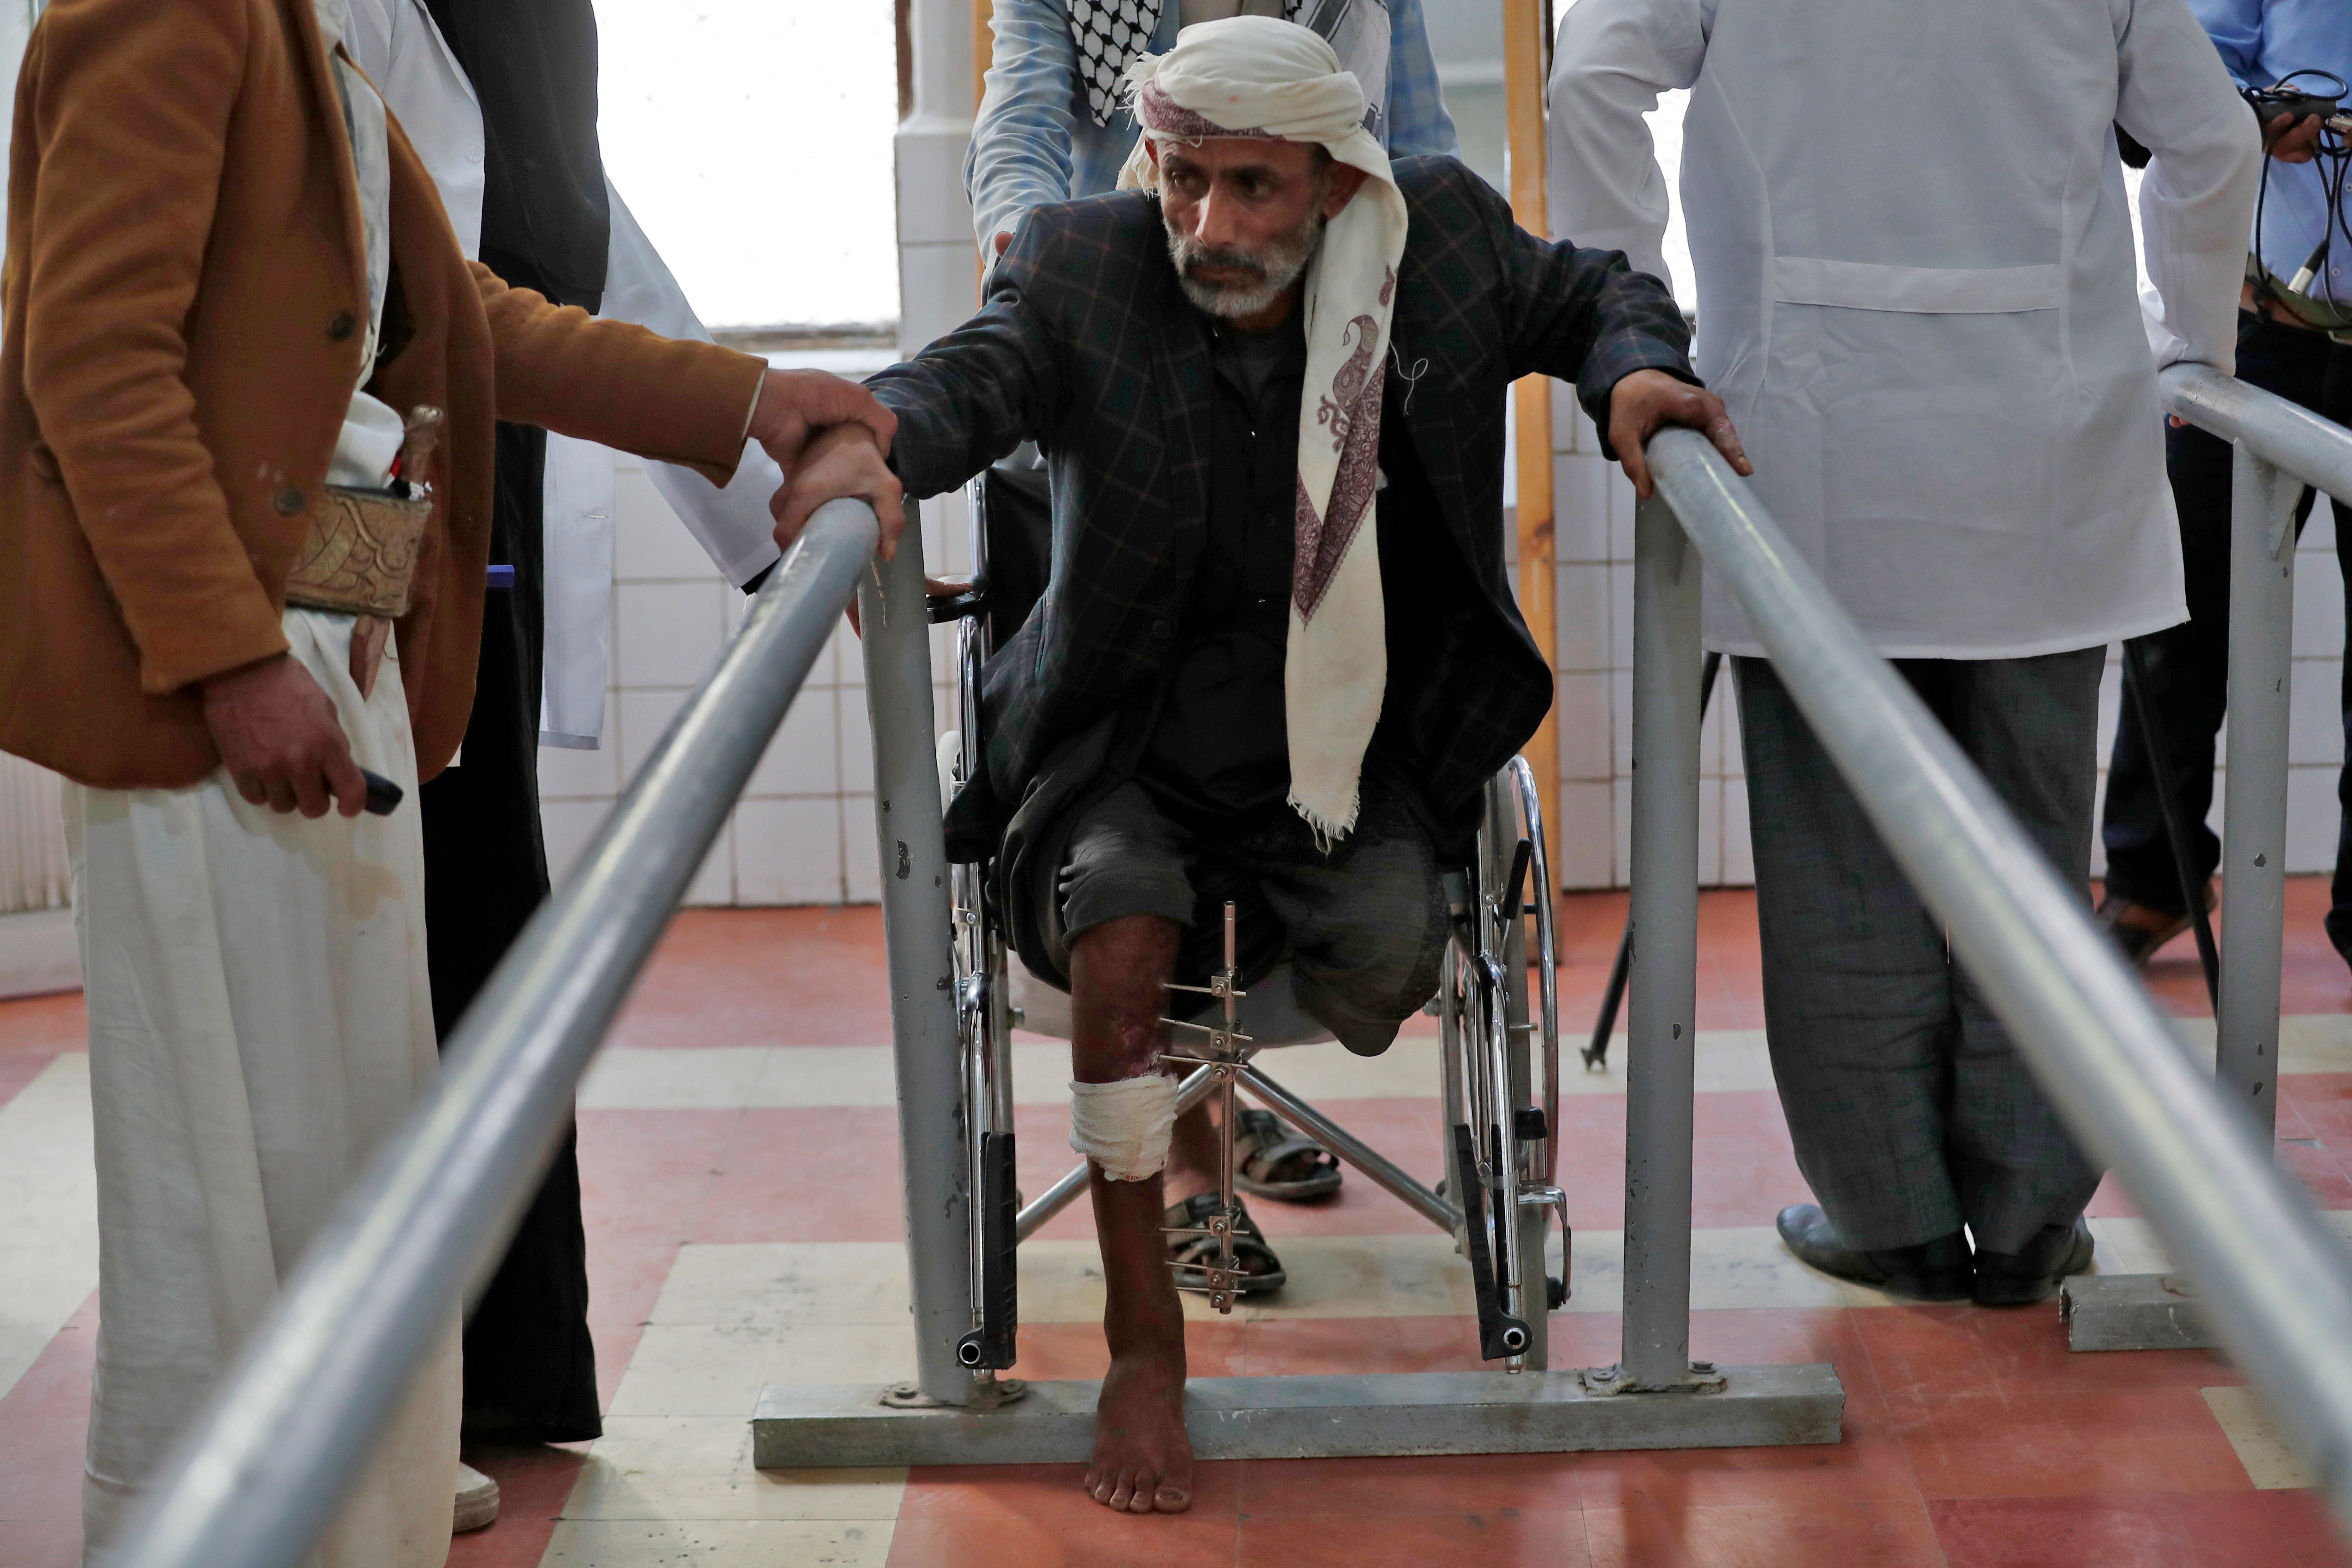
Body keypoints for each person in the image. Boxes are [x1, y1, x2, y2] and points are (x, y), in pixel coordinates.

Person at [776, 14, 1743, 1517]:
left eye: (1251, 189)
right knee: (1119, 934)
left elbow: (1598, 291)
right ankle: (1141, 1342)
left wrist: (1634, 378)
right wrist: (877, 439)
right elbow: (973, 372)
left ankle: (1272, 1025)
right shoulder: (1089, 263)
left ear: (1337, 183)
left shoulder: (1437, 244)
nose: (1207, 227)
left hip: (1347, 753)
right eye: (1181, 181)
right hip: (1128, 746)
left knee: (1377, 955)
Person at [0, 0, 894, 1560]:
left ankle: (354, 1455)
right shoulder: (159, 10)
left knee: (354, 1110)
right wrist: (231, 663)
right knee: (228, 1139)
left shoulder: (306, 32)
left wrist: (738, 400)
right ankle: (210, 1502)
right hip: (216, 675)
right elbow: (91, 363)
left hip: (333, 631)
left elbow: (454, 319)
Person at [1549, 0, 2260, 1307]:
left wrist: (1628, 317)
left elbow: (1592, 76)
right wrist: (2187, 351)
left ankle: (1896, 1221)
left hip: (1815, 442)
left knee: (1840, 865)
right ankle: (2031, 1220)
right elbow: (2213, 143)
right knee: (2036, 864)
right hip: (2043, 449)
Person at [345, 0, 793, 1482]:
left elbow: (579, 238)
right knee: (380, 905)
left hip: (477, 466)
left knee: (481, 901)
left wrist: (767, 490)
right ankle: (379, 1385)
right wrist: (304, 626)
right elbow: (357, 280)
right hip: (358, 487)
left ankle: (485, 1369)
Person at [968, 0, 1458, 1208]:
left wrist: (1447, 299)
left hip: (1311, 347)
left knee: (1283, 669)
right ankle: (1192, 1153)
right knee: (1151, 731)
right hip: (1125, 358)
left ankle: (1220, 1096)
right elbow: (1022, 126)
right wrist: (1043, 277)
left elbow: (1429, 149)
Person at [2099, 0, 2352, 969]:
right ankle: (2152, 877)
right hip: (2257, 328)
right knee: (2179, 612)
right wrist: (2257, 112)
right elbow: (2180, 81)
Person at [968, 0, 1460, 263]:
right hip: (1132, 288)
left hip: (1321, 285)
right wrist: (1028, 245)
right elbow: (1020, 129)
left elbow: (1419, 150)